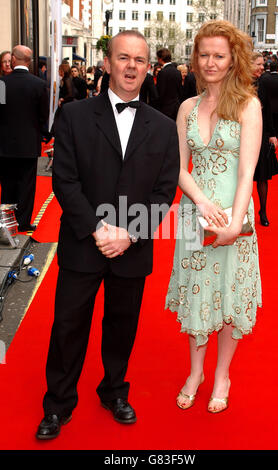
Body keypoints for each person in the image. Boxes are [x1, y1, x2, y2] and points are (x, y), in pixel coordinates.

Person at [36, 30, 180, 440]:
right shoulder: (75, 115)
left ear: (148, 68)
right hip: (84, 242)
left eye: (139, 60)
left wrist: (130, 234)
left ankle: (114, 391)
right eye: (123, 58)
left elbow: (164, 191)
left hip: (132, 249)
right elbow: (64, 180)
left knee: (122, 325)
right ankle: (58, 403)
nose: (131, 66)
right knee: (68, 325)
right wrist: (99, 229)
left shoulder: (163, 127)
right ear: (107, 63)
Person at [165, 20, 262, 414]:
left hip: (234, 215)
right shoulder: (187, 107)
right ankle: (195, 372)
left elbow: (246, 174)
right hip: (194, 215)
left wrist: (235, 224)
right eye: (203, 54)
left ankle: (221, 374)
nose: (209, 62)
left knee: (228, 298)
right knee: (197, 298)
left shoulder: (247, 105)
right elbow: (178, 166)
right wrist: (202, 203)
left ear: (232, 59)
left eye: (218, 55)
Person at [0, 45, 49, 232]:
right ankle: (23, 222)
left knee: (7, 184)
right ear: (29, 61)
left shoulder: (3, 83)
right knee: (27, 186)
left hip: (5, 143)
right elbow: (43, 115)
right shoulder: (38, 85)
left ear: (13, 59)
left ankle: (6, 222)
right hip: (28, 143)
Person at [252, 53, 278, 227]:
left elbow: (267, 110)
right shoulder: (236, 84)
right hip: (239, 136)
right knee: (242, 178)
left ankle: (263, 210)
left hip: (260, 135)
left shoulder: (261, 84)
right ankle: (243, 211)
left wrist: (272, 134)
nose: (263, 67)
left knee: (262, 176)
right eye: (259, 64)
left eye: (263, 64)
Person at [156, 48, 182, 120]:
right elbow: (180, 91)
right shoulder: (178, 72)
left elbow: (160, 92)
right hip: (176, 108)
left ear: (160, 59)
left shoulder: (162, 73)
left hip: (164, 109)